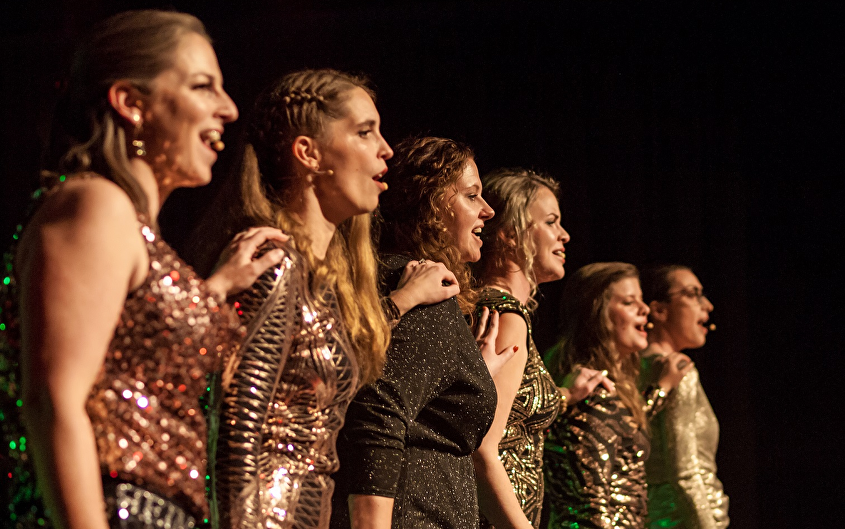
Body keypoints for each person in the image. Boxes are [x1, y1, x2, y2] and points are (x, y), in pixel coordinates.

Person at [0, 10, 288, 529]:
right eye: (202, 86)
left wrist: (213, 289)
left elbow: (135, 353)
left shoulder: (131, 229)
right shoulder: (94, 205)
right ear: (131, 103)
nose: (228, 108)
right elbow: (52, 399)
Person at [212, 71, 458, 529]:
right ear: (309, 153)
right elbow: (239, 432)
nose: (386, 149)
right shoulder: (274, 261)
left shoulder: (323, 278)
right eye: (365, 132)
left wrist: (402, 302)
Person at [331, 136, 514, 529]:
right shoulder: (425, 290)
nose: (487, 210)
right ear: (430, 207)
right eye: (471, 196)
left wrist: (470, 373)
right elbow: (378, 414)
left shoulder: (406, 283)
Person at [472, 169, 613, 529]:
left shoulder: (500, 310)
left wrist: (565, 394)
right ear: (509, 233)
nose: (564, 235)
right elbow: (482, 447)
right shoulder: (506, 316)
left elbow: (510, 410)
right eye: (551, 222)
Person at [543, 263, 692, 529]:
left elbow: (621, 431)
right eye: (629, 302)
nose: (644, 309)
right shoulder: (591, 393)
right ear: (597, 314)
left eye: (641, 300)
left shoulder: (605, 388)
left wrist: (661, 388)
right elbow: (590, 509)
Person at [639, 265, 729, 528]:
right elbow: (685, 473)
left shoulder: (635, 367)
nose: (707, 306)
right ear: (659, 310)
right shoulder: (678, 371)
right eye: (693, 294)